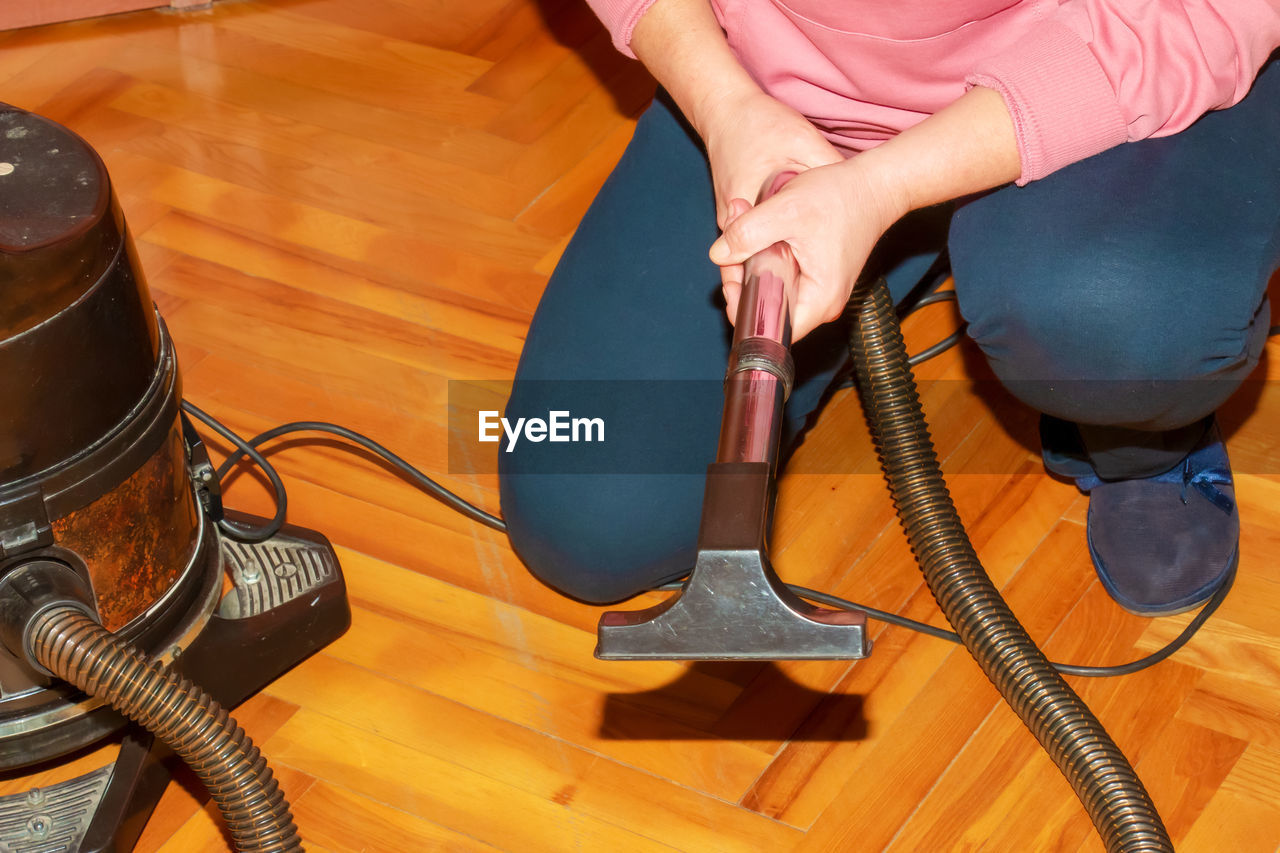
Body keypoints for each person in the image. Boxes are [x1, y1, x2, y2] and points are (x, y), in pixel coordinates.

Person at [497, 0, 1280, 616]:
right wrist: (725, 105)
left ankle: (1145, 439)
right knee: (587, 513)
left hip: (1091, 70)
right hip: (763, 97)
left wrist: (885, 187)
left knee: (1117, 313)